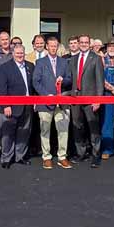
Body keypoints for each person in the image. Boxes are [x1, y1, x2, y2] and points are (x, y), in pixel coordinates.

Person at [33, 37, 72, 169]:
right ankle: (47, 156)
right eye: (51, 46)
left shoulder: (64, 62)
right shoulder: (40, 62)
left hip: (61, 102)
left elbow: (69, 79)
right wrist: (46, 95)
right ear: (47, 47)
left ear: (58, 47)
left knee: (63, 130)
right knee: (45, 130)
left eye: (55, 46)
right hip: (45, 102)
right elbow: (36, 82)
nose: (53, 48)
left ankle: (62, 156)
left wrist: (64, 80)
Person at [68, 34, 103, 167]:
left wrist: (98, 99)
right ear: (78, 43)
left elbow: (100, 81)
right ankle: (81, 153)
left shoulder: (96, 58)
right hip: (75, 99)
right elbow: (70, 79)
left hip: (90, 99)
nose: (83, 44)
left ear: (89, 44)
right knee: (77, 127)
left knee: (93, 127)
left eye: (85, 42)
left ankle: (95, 155)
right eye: (81, 42)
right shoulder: (73, 59)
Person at [0, 44, 33, 168]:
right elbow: (1, 88)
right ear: (12, 54)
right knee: (7, 134)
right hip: (10, 107)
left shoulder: (30, 66)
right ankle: (6, 158)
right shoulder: (4, 68)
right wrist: (6, 105)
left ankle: (20, 156)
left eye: (21, 53)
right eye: (17, 53)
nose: (20, 55)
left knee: (24, 132)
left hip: (27, 106)